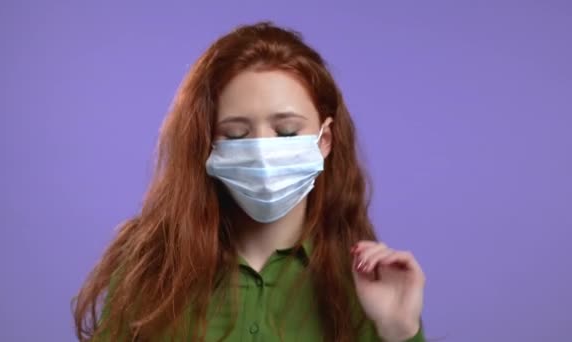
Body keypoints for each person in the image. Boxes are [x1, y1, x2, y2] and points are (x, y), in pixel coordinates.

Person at [73, 22, 426, 342]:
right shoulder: (150, 268)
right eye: (237, 134)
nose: (261, 150)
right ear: (208, 144)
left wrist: (399, 333)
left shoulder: (366, 286)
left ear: (325, 139)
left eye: (286, 131)